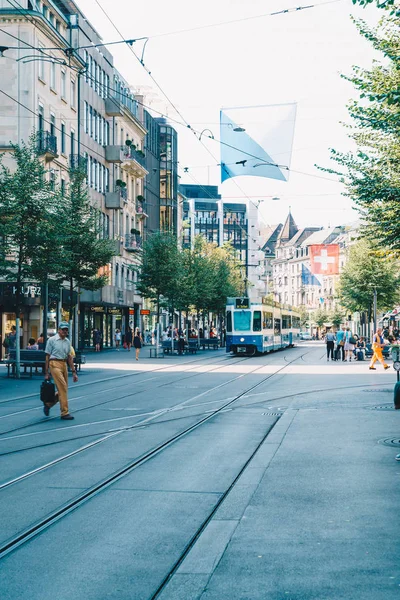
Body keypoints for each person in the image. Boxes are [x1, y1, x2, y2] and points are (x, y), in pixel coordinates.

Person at [44, 322, 78, 420]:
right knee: (62, 387)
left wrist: (74, 372)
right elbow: (47, 356)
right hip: (54, 364)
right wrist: (46, 372)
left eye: (66, 330)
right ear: (58, 330)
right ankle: (64, 412)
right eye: (63, 329)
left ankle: (48, 404)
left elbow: (69, 357)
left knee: (63, 389)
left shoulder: (67, 341)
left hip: (64, 364)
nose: (65, 331)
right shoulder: (52, 340)